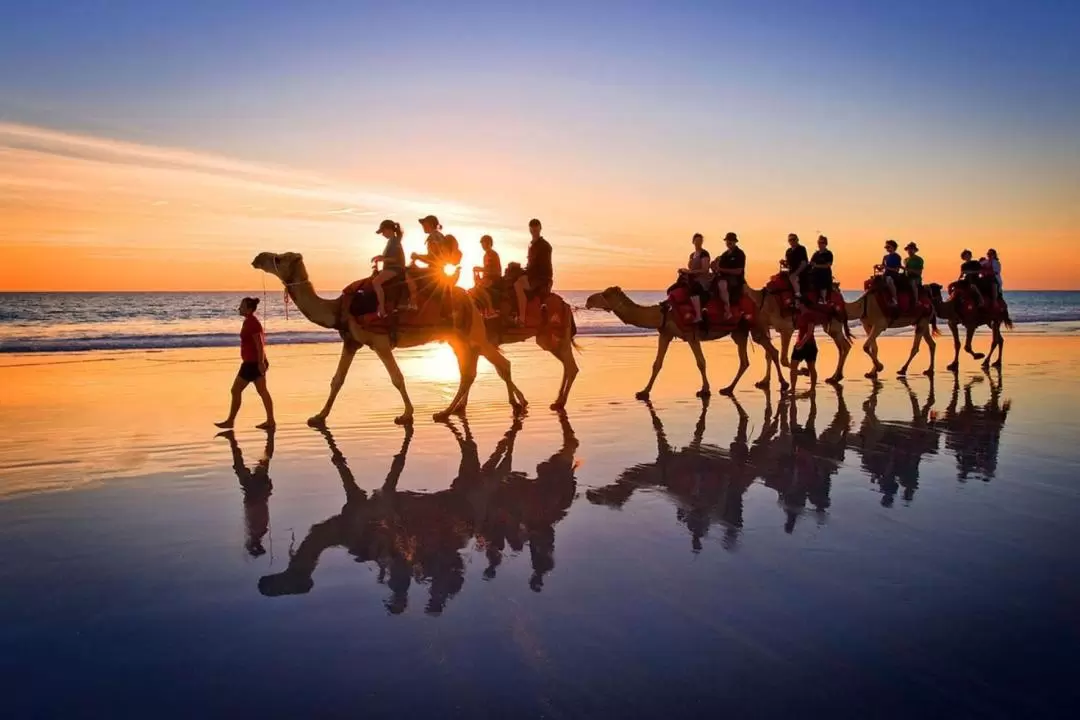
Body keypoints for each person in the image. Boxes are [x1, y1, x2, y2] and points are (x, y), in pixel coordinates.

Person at [216, 297, 275, 430]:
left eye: (242, 306)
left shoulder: (251, 323)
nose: (239, 308)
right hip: (254, 362)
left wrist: (260, 363)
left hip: (252, 364)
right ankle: (270, 420)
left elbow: (259, 344)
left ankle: (230, 421)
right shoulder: (249, 321)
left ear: (248, 309)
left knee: (235, 390)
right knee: (262, 391)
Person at [513, 218, 553, 323]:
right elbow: (531, 264)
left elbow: (542, 266)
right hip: (533, 275)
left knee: (518, 284)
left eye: (536, 227)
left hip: (541, 278)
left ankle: (522, 317)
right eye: (532, 228)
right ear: (530, 229)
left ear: (540, 228)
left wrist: (526, 272)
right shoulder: (531, 245)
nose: (534, 229)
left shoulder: (545, 246)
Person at [371, 219, 412, 317]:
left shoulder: (394, 241)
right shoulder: (392, 241)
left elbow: (394, 259)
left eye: (383, 231)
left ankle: (382, 308)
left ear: (389, 230)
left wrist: (381, 258)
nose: (382, 234)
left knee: (376, 282)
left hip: (395, 268)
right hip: (391, 267)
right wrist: (379, 257)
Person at [712, 232, 745, 320]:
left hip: (736, 280)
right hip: (723, 278)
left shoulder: (739, 254)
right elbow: (717, 268)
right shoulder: (724, 255)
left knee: (722, 284)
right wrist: (714, 265)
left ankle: (728, 309)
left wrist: (721, 270)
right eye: (727, 240)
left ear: (735, 242)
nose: (729, 242)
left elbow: (738, 271)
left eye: (731, 240)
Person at [680, 233, 711, 323]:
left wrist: (690, 272)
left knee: (694, 289)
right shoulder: (692, 255)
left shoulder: (704, 254)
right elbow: (691, 268)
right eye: (696, 241)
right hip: (693, 277)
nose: (698, 242)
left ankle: (698, 315)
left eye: (700, 241)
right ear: (693, 242)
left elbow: (705, 269)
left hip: (703, 279)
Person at [472, 234, 502, 313]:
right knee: (476, 287)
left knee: (480, 287)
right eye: (482, 243)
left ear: (489, 243)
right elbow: (486, 270)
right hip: (487, 278)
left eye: (484, 243)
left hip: (494, 279)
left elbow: (494, 270)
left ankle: (490, 308)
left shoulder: (493, 254)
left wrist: (481, 269)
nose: (483, 245)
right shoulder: (485, 256)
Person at [789, 326, 819, 395]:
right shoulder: (801, 316)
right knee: (794, 367)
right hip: (804, 344)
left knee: (810, 368)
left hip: (808, 345)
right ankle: (793, 388)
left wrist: (801, 343)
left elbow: (809, 331)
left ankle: (812, 389)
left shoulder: (808, 315)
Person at [875, 239, 903, 306]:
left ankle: (895, 300)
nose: (886, 248)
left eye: (888, 247)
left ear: (893, 247)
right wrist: (878, 267)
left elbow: (897, 270)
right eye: (886, 247)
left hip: (894, 275)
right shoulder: (885, 257)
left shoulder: (897, 257)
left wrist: (886, 267)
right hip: (886, 274)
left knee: (889, 279)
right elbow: (882, 268)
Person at [785, 233, 810, 304]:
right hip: (791, 271)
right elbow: (788, 264)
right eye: (790, 240)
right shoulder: (788, 251)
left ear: (797, 240)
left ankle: (798, 295)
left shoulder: (801, 249)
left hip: (801, 272)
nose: (792, 241)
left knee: (793, 278)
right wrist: (784, 263)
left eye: (793, 239)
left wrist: (795, 273)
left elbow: (804, 263)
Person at [809, 235, 834, 303]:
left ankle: (824, 300)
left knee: (823, 285)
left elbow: (828, 265)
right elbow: (811, 263)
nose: (820, 244)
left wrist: (816, 265)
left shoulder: (828, 254)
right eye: (819, 242)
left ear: (826, 244)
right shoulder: (816, 254)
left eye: (822, 243)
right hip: (815, 275)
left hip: (824, 276)